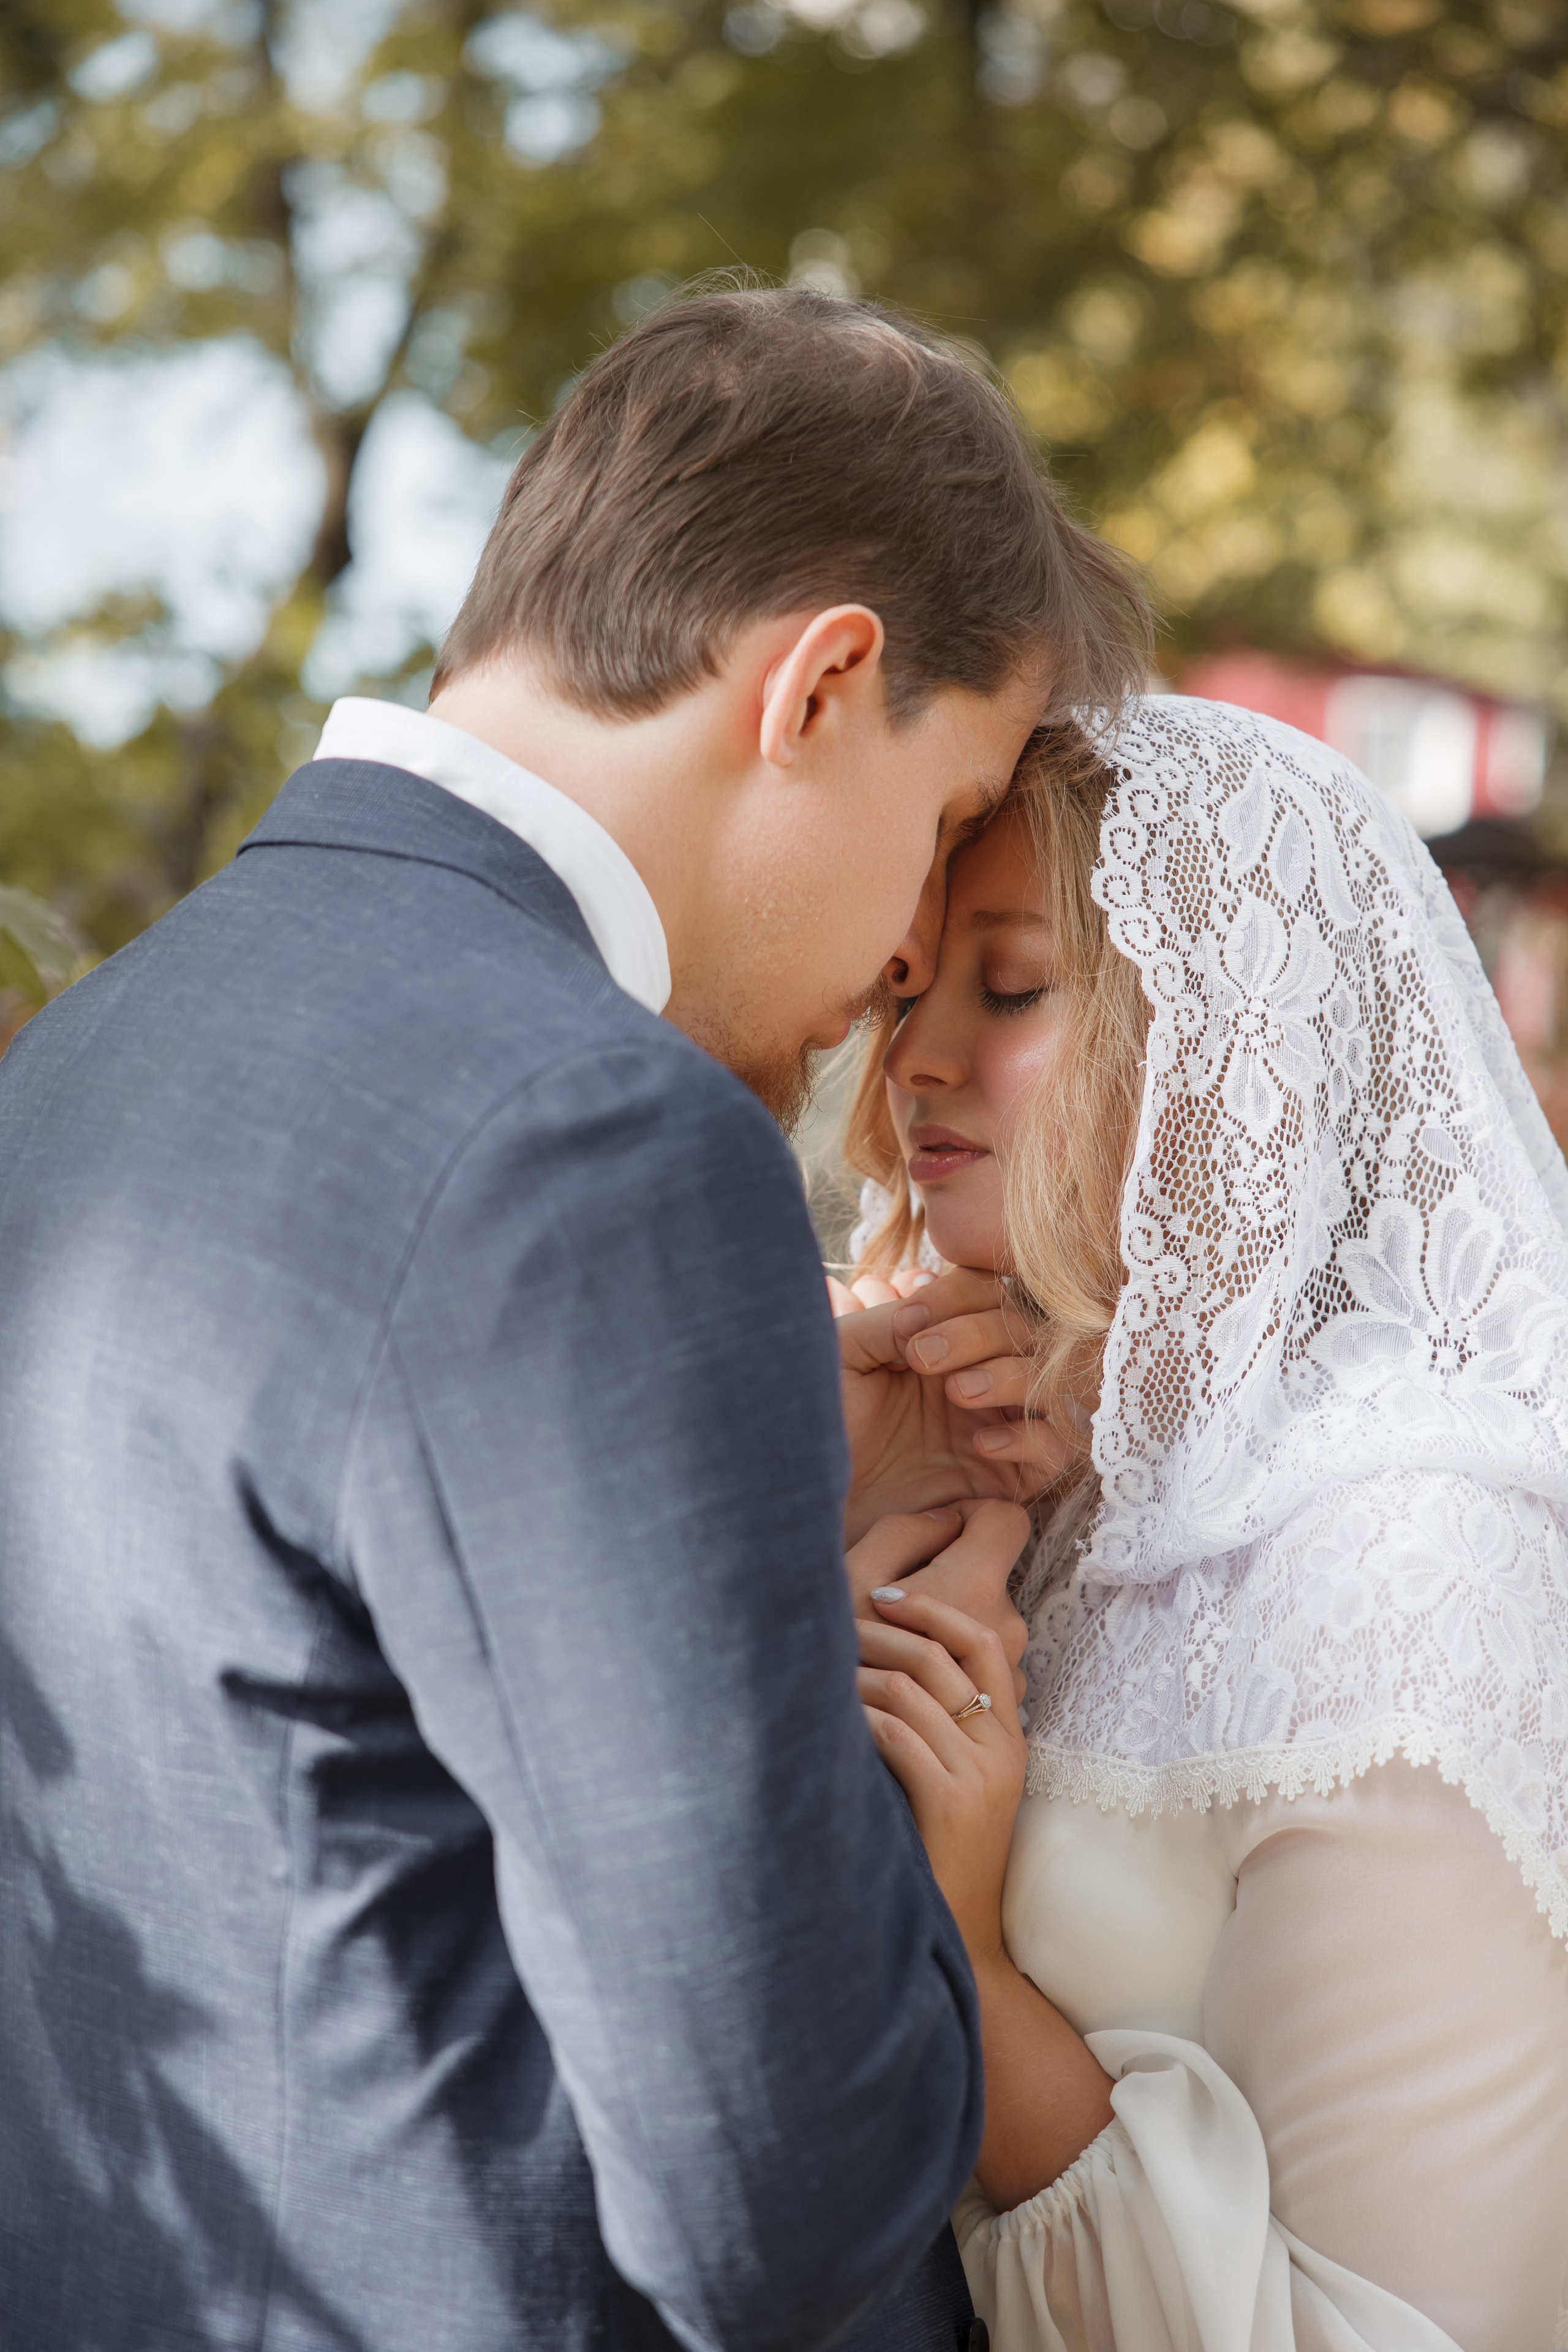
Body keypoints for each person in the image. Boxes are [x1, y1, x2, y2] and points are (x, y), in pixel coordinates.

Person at [0, 288, 1150, 2352]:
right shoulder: (599, 1144)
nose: (908, 946)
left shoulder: (87, 1055)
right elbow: (777, 2205)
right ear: (823, 684)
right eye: (946, 808)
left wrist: (764, 1484)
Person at [832, 700, 1568, 2350]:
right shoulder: (1049, 1464)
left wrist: (965, 1963)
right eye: (906, 991)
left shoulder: (1406, 1560)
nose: (918, 1059)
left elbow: (1388, 2335)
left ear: (1243, 1039)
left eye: (1011, 987)